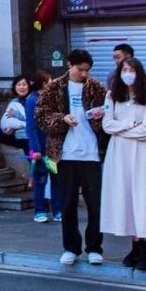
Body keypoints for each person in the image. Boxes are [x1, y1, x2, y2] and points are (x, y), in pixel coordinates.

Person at [36, 49, 108, 266]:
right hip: (65, 153)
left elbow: (111, 111)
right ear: (69, 65)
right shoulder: (54, 87)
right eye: (80, 69)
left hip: (92, 153)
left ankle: (94, 247)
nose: (84, 74)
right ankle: (70, 248)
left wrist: (100, 116)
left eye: (87, 70)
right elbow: (41, 115)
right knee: (67, 203)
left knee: (95, 204)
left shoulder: (97, 88)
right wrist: (62, 119)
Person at [101, 57, 146, 270]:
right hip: (118, 153)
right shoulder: (112, 96)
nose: (128, 73)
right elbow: (107, 125)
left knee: (140, 196)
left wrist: (121, 130)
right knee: (125, 197)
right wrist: (130, 124)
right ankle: (136, 246)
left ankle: (141, 247)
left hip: (141, 153)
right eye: (124, 69)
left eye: (131, 70)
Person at [24, 70, 60, 222]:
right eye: (49, 80)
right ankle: (39, 211)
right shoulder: (32, 100)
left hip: (53, 146)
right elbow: (31, 127)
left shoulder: (52, 98)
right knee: (40, 179)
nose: (52, 83)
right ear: (43, 83)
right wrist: (36, 149)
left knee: (56, 178)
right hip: (40, 147)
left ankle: (58, 211)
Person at [0, 76, 30, 172]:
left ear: (29, 86)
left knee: (34, 161)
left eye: (24, 84)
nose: (21, 87)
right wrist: (8, 128)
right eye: (19, 85)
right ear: (15, 87)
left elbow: (32, 120)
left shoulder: (32, 100)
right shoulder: (14, 102)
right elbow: (6, 119)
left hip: (28, 137)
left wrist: (16, 115)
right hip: (16, 135)